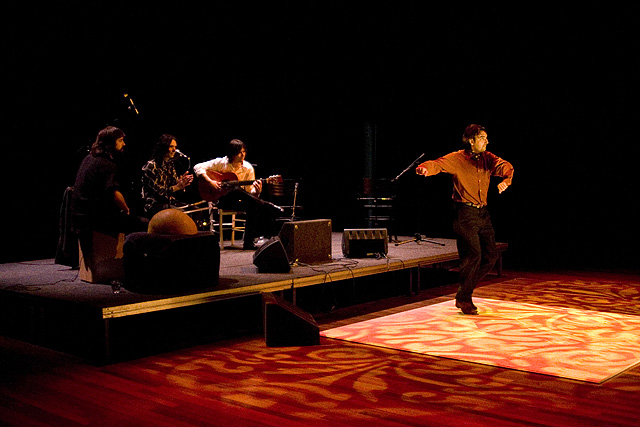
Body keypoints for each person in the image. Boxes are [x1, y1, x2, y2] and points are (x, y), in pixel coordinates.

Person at [416, 124, 514, 315]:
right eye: (482, 138)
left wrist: (506, 179)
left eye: (486, 138)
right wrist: (424, 168)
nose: (487, 141)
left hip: (483, 213)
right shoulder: (457, 158)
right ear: (471, 140)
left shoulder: (487, 158)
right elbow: (437, 164)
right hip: (465, 213)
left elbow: (505, 165)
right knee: (473, 256)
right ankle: (464, 299)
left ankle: (463, 291)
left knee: (491, 256)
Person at [194, 139, 280, 250]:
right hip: (221, 200)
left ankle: (248, 243)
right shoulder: (221, 163)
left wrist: (257, 191)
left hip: (238, 200)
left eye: (244, 151)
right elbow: (197, 167)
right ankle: (266, 204)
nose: (243, 155)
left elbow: (249, 192)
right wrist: (210, 182)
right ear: (232, 154)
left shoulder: (248, 168)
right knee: (235, 189)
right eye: (239, 152)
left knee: (253, 204)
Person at [71, 126, 149, 236]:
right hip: (94, 219)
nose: (124, 144)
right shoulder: (106, 165)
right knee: (145, 224)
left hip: (79, 217)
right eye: (120, 141)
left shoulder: (88, 158)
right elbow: (115, 195)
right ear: (110, 143)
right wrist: (126, 210)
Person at [141, 134, 194, 218]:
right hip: (154, 205)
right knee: (183, 214)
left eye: (175, 147)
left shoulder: (169, 165)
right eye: (171, 147)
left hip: (169, 202)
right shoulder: (151, 166)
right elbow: (158, 193)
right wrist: (177, 187)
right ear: (163, 148)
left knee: (195, 210)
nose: (174, 150)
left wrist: (182, 183)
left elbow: (174, 186)